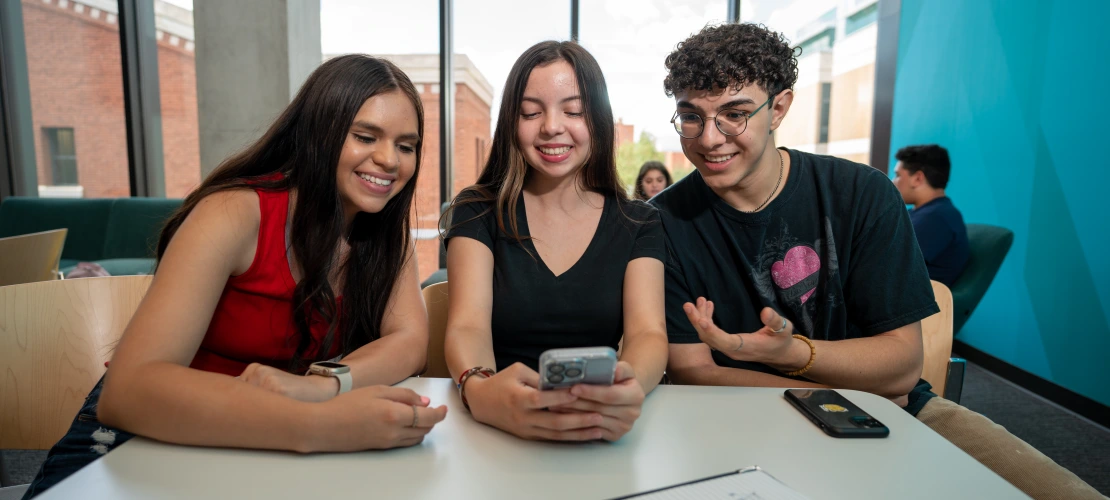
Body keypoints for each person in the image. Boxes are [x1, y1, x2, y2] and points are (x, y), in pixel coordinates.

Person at [651, 23, 1103, 500]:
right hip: (742, 423)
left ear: (779, 107)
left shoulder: (862, 193)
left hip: (896, 413)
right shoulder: (661, 221)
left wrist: (791, 354)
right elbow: (694, 373)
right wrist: (853, 377)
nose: (708, 138)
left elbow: (902, 369)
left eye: (734, 114)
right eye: (691, 117)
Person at [22, 55, 448, 499]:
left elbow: (409, 342)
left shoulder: (384, 235)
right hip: (151, 432)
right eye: (365, 136)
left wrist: (322, 387)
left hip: (260, 440)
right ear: (319, 132)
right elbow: (127, 391)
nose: (388, 160)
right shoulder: (234, 212)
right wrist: (318, 423)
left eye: (406, 145)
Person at [442, 41, 668, 443]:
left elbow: (647, 335)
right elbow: (467, 326)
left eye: (573, 111)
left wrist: (627, 386)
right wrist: (480, 391)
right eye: (531, 112)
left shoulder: (639, 221)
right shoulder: (478, 210)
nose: (550, 126)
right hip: (498, 430)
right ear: (512, 122)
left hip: (599, 425)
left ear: (597, 120)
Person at [891, 144, 969, 287]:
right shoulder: (923, 213)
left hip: (910, 302)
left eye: (897, 175)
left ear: (918, 178)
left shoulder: (936, 218)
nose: (892, 181)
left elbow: (889, 264)